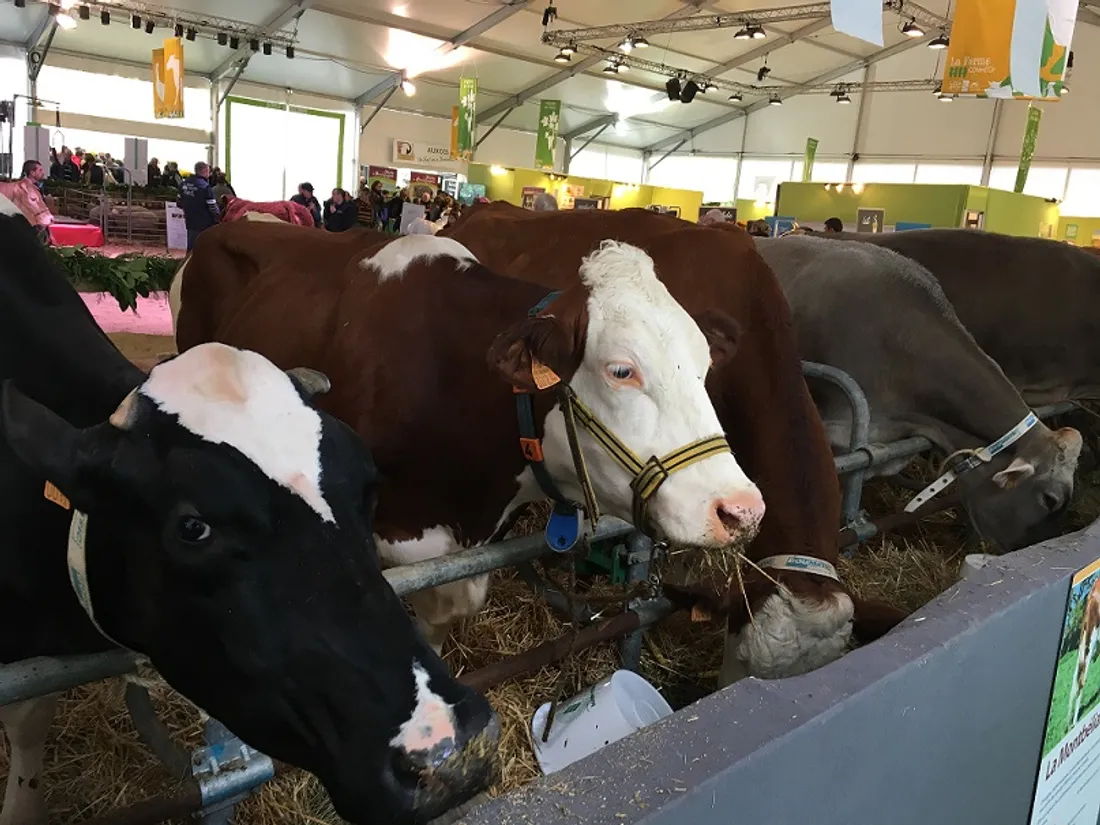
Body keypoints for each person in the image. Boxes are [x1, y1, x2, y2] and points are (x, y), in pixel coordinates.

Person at [0, 160, 54, 243]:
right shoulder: (22, 189)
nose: (43, 172)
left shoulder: (35, 186)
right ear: (32, 172)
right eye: (40, 170)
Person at [177, 161, 220, 251]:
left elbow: (179, 202)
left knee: (191, 246)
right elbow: (212, 207)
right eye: (209, 172)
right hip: (205, 222)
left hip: (190, 220)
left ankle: (188, 262)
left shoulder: (184, 184)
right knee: (203, 248)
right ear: (204, 171)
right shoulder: (205, 187)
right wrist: (218, 217)